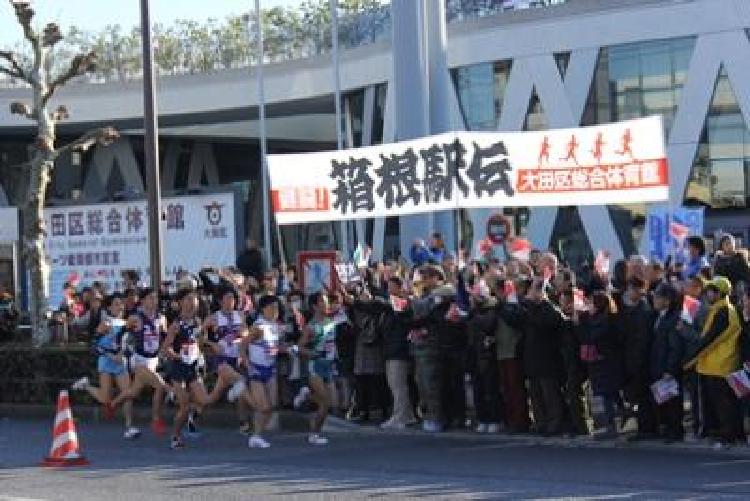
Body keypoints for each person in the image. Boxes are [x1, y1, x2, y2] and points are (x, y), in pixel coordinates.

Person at [685, 277, 744, 448]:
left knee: (724, 404)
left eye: (711, 291)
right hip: (716, 364)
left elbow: (710, 340)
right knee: (724, 403)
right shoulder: (719, 309)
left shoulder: (724, 311)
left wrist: (690, 359)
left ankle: (728, 436)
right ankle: (730, 433)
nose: (708, 293)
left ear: (719, 293)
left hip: (720, 365)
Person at [71, 293, 139, 440]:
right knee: (105, 398)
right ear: (109, 307)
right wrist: (111, 355)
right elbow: (94, 345)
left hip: (121, 363)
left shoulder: (127, 323)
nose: (119, 306)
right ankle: (86, 386)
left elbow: (130, 344)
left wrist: (125, 354)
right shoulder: (106, 323)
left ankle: (129, 426)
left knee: (129, 393)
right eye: (115, 304)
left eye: (121, 303)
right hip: (107, 362)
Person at [110, 288, 171, 435]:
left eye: (155, 298)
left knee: (133, 392)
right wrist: (118, 350)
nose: (153, 301)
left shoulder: (161, 318)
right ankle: (156, 420)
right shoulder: (136, 317)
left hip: (153, 360)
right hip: (138, 360)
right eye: (150, 298)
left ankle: (112, 405)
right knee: (160, 386)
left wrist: (167, 350)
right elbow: (120, 334)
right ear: (143, 301)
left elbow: (164, 337)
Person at [162, 289, 215, 449]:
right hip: (178, 368)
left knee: (205, 400)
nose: (193, 303)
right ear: (181, 303)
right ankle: (176, 436)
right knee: (184, 405)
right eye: (189, 299)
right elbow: (165, 348)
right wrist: (178, 356)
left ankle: (191, 416)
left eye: (195, 300)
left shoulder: (198, 322)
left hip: (193, 367)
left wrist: (202, 350)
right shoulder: (176, 325)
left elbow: (200, 342)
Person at [575, 291, 623, 439]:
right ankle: (620, 418)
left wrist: (580, 324)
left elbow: (589, 337)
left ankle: (612, 426)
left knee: (608, 394)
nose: (588, 306)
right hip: (602, 362)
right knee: (610, 394)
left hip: (606, 362)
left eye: (591, 303)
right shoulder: (597, 319)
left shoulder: (605, 321)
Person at [239, 295, 283, 449]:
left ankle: (256, 436)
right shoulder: (258, 327)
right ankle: (242, 391)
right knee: (263, 407)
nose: (275, 311)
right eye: (272, 308)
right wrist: (247, 363)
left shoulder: (275, 326)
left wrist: (288, 349)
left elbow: (275, 346)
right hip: (256, 370)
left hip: (270, 369)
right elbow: (243, 346)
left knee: (271, 406)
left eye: (277, 307)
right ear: (263, 310)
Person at [295, 292, 335, 445]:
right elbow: (299, 347)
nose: (327, 305)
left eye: (327, 302)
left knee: (331, 402)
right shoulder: (311, 327)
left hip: (328, 365)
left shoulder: (331, 321)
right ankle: (314, 434)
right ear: (315, 306)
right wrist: (311, 352)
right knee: (325, 403)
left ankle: (306, 396)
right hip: (315, 366)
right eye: (323, 302)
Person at [621, 277, 656, 440]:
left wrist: (636, 361)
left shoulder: (644, 310)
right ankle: (644, 427)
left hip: (642, 361)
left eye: (630, 289)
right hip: (634, 358)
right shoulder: (635, 308)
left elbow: (642, 339)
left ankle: (647, 429)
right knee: (640, 396)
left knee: (644, 397)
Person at [650, 283, 684, 442]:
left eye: (657, 297)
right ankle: (667, 429)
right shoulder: (659, 316)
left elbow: (675, 347)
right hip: (658, 364)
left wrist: (670, 369)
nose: (654, 300)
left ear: (667, 300)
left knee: (673, 401)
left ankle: (676, 431)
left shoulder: (673, 318)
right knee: (663, 400)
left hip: (669, 367)